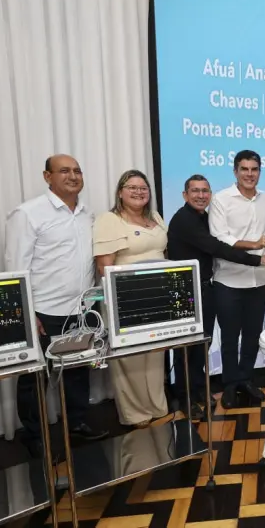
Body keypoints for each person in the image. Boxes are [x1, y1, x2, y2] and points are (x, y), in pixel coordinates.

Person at [5, 154, 108, 446]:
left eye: (77, 171)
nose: (73, 176)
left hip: (82, 309)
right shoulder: (28, 214)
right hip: (44, 311)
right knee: (35, 377)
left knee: (77, 370)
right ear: (47, 176)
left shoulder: (88, 214)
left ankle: (76, 423)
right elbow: (15, 269)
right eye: (64, 171)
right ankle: (35, 436)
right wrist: (27, 314)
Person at [166, 174, 265, 418]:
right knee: (190, 346)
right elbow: (218, 247)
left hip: (208, 286)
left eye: (205, 191)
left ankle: (202, 389)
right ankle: (189, 396)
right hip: (189, 289)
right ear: (184, 195)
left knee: (202, 344)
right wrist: (256, 257)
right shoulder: (185, 219)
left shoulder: (203, 216)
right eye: (195, 191)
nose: (201, 195)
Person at [93, 170, 169, 427]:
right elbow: (104, 267)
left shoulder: (155, 217)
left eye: (143, 188)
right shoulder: (110, 220)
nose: (139, 192)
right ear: (120, 192)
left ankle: (157, 406)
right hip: (126, 299)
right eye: (132, 187)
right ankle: (136, 414)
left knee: (155, 354)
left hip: (157, 296)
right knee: (131, 357)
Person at [209, 150, 265, 409]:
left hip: (259, 279)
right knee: (229, 336)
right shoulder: (221, 199)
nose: (249, 174)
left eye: (254, 169)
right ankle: (230, 384)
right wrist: (254, 245)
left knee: (252, 334)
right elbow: (220, 238)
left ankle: (246, 379)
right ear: (235, 171)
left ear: (259, 172)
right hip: (229, 280)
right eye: (244, 169)